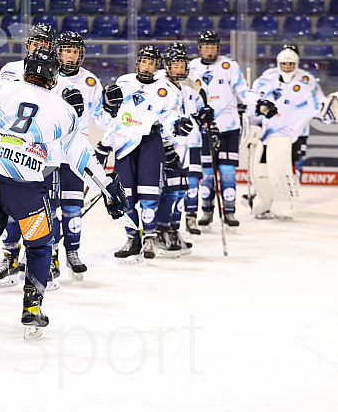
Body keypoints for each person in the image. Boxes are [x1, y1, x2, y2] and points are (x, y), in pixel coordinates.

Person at [0, 48, 128, 343]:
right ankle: (32, 308)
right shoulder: (63, 108)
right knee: (39, 246)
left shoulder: (2, 89)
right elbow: (81, 156)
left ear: (25, 72)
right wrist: (108, 188)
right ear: (53, 77)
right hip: (25, 184)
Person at [99, 45, 186, 262]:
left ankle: (148, 236)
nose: (147, 67)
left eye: (152, 63)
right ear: (138, 62)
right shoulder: (124, 82)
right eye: (144, 62)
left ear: (158, 66)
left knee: (149, 196)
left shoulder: (166, 88)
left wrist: (172, 141)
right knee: (125, 197)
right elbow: (113, 117)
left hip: (150, 144)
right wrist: (104, 144)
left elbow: (172, 119)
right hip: (124, 145)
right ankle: (132, 238)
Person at [0, 23, 57, 287]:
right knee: (10, 209)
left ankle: (45, 258)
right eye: (34, 42)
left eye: (44, 42)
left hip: (44, 153)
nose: (39, 46)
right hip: (10, 151)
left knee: (44, 210)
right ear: (27, 44)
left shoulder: (56, 74)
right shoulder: (9, 71)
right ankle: (9, 255)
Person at [189, 30, 277, 232]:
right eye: (205, 46)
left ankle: (229, 212)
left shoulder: (229, 65)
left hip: (228, 127)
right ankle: (207, 211)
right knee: (207, 173)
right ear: (200, 48)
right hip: (203, 128)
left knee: (228, 171)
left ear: (218, 48)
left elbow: (243, 90)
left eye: (213, 46)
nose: (209, 49)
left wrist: (259, 102)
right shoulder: (192, 67)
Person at [248, 45, 324, 219]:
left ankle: (287, 201)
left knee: (289, 167)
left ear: (296, 63)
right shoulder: (266, 79)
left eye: (291, 63)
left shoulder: (307, 79)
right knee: (264, 168)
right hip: (269, 133)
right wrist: (253, 118)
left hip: (295, 132)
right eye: (284, 64)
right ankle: (265, 200)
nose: (287, 67)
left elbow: (318, 101)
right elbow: (253, 99)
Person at [155, 45, 215, 256]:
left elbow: (200, 113)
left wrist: (207, 118)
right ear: (167, 67)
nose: (179, 69)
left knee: (181, 191)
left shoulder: (192, 87)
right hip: (168, 146)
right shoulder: (158, 86)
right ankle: (159, 231)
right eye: (175, 65)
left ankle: (173, 229)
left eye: (182, 64)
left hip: (190, 145)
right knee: (167, 191)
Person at [53, 31, 103, 280]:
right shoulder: (47, 76)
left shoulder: (90, 82)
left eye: (74, 51)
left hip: (74, 154)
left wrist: (112, 109)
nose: (70, 56)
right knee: (48, 208)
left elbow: (102, 118)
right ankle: (50, 254)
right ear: (58, 52)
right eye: (66, 50)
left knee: (72, 208)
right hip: (48, 153)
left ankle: (72, 252)